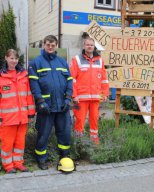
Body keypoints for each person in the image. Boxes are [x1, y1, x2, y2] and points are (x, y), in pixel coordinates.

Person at [28, 35, 73, 170]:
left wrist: (68, 98)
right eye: (48, 44)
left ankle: (64, 157)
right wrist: (40, 101)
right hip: (45, 106)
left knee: (64, 133)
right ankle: (41, 159)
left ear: (56, 45)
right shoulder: (36, 62)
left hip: (62, 106)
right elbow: (34, 84)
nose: (50, 47)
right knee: (43, 135)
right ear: (43, 45)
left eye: (53, 45)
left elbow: (69, 81)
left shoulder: (62, 62)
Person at [0, 49, 35, 173]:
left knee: (20, 142)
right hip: (7, 118)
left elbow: (29, 95)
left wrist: (31, 113)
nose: (14, 61)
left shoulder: (24, 75)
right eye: (11, 58)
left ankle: (18, 163)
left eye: (16, 59)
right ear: (6, 58)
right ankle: (8, 166)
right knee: (7, 143)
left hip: (22, 117)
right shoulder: (1, 77)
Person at [70, 37, 109, 144]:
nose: (89, 47)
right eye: (87, 45)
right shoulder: (76, 59)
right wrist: (74, 95)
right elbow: (72, 79)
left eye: (91, 45)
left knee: (94, 120)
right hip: (81, 98)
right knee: (79, 120)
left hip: (96, 97)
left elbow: (104, 79)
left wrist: (104, 94)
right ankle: (78, 143)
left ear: (94, 46)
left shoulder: (100, 60)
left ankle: (94, 141)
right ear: (84, 46)